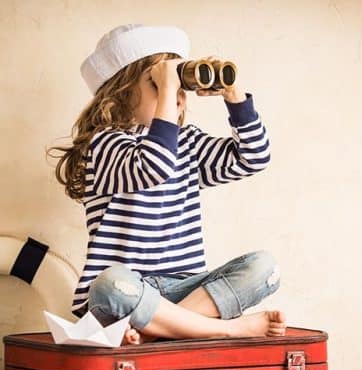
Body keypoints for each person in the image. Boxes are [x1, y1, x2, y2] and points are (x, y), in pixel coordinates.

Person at [47, 24, 286, 345]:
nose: (176, 96)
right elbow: (154, 166)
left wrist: (233, 94)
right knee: (109, 283)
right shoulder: (105, 145)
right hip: (127, 292)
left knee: (264, 267)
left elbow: (254, 157)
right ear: (120, 92)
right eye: (159, 85)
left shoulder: (186, 143)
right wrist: (169, 93)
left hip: (182, 289)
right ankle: (224, 329)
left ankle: (152, 333)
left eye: (180, 87)